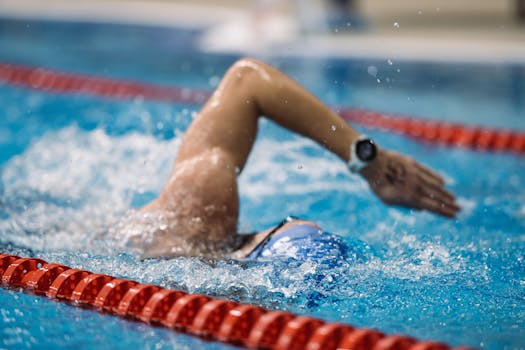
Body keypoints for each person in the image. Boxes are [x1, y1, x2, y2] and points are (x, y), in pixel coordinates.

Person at [131, 58, 460, 261]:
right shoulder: (199, 198)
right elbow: (246, 79)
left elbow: (248, 79)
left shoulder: (206, 217)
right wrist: (367, 160)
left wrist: (368, 161)